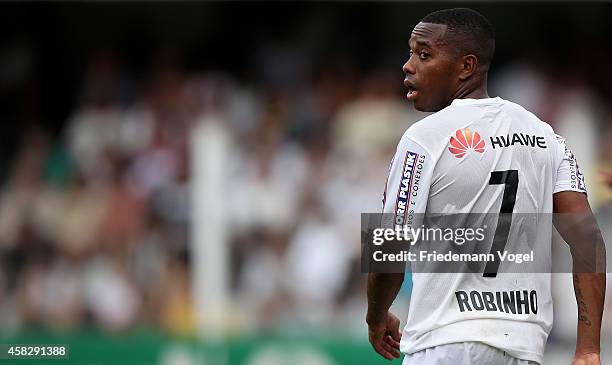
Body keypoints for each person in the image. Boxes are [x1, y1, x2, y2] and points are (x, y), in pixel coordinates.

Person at [366, 8, 605, 365]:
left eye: (424, 54)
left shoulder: (424, 138)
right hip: (522, 347)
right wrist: (588, 349)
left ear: (466, 67)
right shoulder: (547, 137)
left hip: (445, 343)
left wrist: (375, 316)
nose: (408, 65)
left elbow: (390, 250)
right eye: (412, 53)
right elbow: (587, 240)